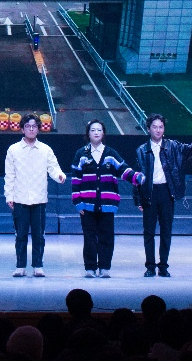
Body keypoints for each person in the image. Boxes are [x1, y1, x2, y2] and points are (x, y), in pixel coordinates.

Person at [134, 114, 192, 277]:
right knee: (149, 232)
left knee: (166, 230)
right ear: (148, 129)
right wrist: (138, 199)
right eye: (154, 127)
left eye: (161, 127)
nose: (158, 130)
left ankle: (163, 266)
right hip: (149, 193)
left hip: (167, 192)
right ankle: (150, 267)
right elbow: (137, 176)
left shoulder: (174, 147)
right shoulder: (141, 150)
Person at [69, 118, 145, 279]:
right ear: (88, 134)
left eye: (99, 130)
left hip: (107, 204)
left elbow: (124, 170)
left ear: (103, 133)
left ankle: (104, 267)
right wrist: (78, 202)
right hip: (86, 204)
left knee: (106, 236)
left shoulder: (111, 153)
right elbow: (75, 180)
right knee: (89, 237)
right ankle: (90, 268)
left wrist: (137, 177)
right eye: (93, 130)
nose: (96, 132)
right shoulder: (81, 154)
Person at [3, 113, 66, 277]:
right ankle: (20, 266)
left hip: (39, 199)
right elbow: (9, 175)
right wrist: (9, 195)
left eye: (34, 126)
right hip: (20, 199)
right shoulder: (13, 150)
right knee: (21, 235)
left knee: (39, 235)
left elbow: (54, 168)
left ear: (38, 129)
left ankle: (38, 265)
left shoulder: (45, 149)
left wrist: (60, 176)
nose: (31, 129)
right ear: (22, 129)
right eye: (28, 126)